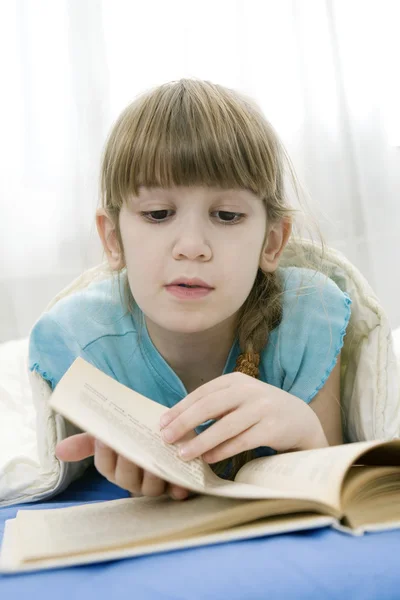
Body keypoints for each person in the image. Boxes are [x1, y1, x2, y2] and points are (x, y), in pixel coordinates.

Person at [28, 78, 351, 501]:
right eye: (159, 213)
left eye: (228, 215)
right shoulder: (77, 344)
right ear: (112, 239)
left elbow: (345, 488)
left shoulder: (309, 316)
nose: (193, 248)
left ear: (272, 242)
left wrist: (307, 435)